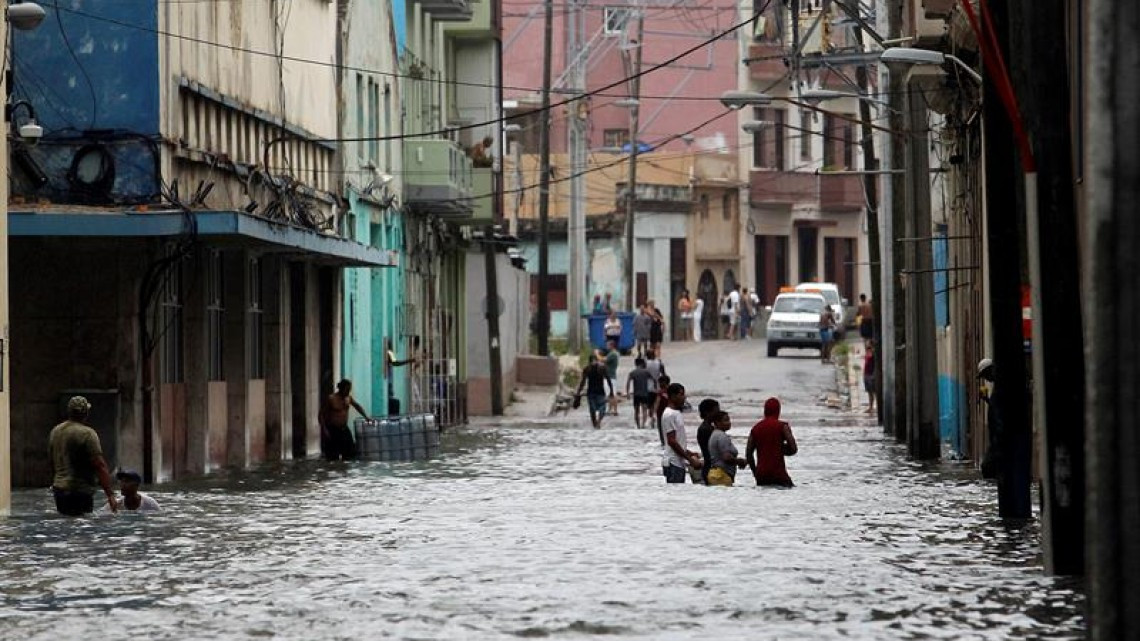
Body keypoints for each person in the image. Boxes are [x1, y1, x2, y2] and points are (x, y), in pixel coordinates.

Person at [49, 396, 118, 515]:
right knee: (81, 525)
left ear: (69, 411)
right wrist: (110, 495)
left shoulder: (56, 431)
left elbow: (51, 460)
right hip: (80, 491)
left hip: (59, 489)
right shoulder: (87, 434)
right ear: (86, 413)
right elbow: (99, 465)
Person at [746, 397, 798, 487]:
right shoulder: (782, 426)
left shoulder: (756, 428)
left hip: (762, 474)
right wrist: (781, 449)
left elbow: (748, 453)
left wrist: (755, 473)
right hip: (778, 472)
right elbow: (793, 448)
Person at [660, 383, 701, 483]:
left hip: (679, 462)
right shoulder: (669, 414)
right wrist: (690, 460)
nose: (684, 397)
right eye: (681, 394)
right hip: (673, 463)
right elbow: (672, 441)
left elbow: (678, 441)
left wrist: (689, 453)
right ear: (673, 396)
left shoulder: (676, 413)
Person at [319, 379, 370, 461]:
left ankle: (344, 471)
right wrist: (324, 429)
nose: (348, 392)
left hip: (344, 429)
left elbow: (357, 406)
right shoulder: (331, 398)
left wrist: (366, 417)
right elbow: (321, 414)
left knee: (350, 454)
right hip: (333, 430)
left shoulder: (348, 398)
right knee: (332, 457)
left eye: (349, 390)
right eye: (347, 389)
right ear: (341, 388)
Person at [574, 350, 614, 429]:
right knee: (602, 407)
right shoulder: (602, 368)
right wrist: (611, 391)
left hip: (591, 392)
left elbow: (583, 381)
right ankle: (598, 422)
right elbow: (608, 379)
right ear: (597, 360)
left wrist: (578, 392)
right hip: (600, 391)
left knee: (592, 409)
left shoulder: (587, 369)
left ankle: (595, 424)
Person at [707, 411, 748, 486]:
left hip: (715, 474)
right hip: (721, 476)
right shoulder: (722, 436)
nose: (729, 423)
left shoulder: (714, 434)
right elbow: (726, 458)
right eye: (726, 420)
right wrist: (740, 461)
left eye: (729, 420)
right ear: (717, 422)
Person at [977, 358, 1001, 479]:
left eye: (985, 375)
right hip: (996, 438)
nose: (985, 379)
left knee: (987, 466)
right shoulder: (997, 387)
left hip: (999, 438)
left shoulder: (1001, 387)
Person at [385, 338, 416, 415]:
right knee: (392, 402)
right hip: (388, 382)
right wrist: (409, 361)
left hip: (388, 381)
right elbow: (396, 363)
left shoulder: (387, 353)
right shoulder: (389, 352)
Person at [695, 398, 722, 485]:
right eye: (716, 411)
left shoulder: (707, 428)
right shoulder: (707, 429)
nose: (719, 414)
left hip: (709, 467)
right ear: (707, 413)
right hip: (711, 468)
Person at [625, 357, 655, 429]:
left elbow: (628, 383)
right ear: (642, 364)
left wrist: (628, 393)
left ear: (635, 364)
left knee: (636, 411)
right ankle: (643, 424)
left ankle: (638, 425)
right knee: (644, 410)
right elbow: (654, 379)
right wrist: (655, 388)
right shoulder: (646, 372)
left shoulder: (632, 373)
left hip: (636, 394)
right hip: (644, 393)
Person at [604, 340, 621, 416]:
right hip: (610, 376)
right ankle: (610, 409)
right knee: (610, 394)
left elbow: (603, 360)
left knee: (612, 394)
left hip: (610, 376)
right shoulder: (614, 353)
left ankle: (614, 410)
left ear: (611, 345)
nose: (606, 346)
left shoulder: (612, 354)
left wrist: (597, 354)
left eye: (608, 345)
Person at [654, 374, 672, 440]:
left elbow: (657, 403)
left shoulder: (660, 392)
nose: (659, 384)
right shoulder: (672, 391)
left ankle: (664, 448)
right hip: (671, 415)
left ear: (663, 382)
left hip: (661, 416)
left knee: (662, 435)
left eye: (660, 382)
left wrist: (653, 414)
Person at [863, 340, 876, 414]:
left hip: (871, 374)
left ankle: (873, 407)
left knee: (873, 391)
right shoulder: (867, 352)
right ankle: (870, 407)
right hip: (866, 374)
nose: (866, 344)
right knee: (869, 392)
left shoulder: (873, 353)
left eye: (868, 343)